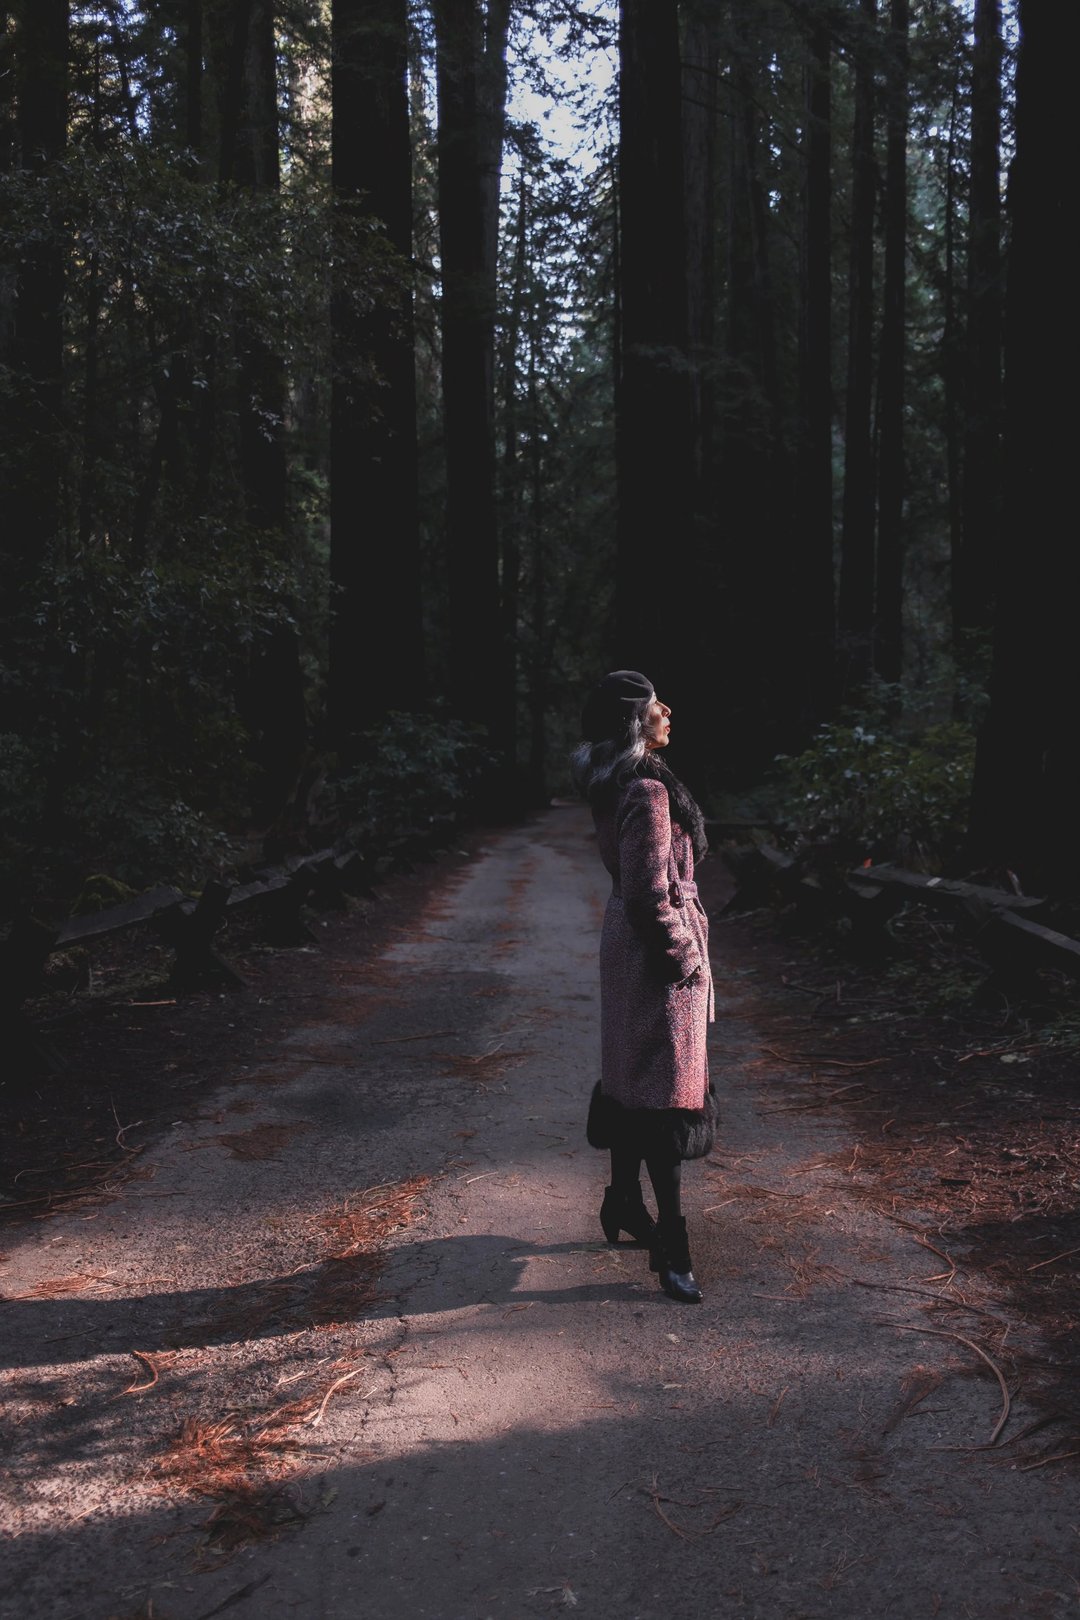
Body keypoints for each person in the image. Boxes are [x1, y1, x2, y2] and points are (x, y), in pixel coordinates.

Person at [572, 670, 716, 1304]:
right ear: (637, 723)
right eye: (657, 705)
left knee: (634, 1076)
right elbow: (648, 893)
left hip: (628, 946)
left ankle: (625, 1201)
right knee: (664, 1095)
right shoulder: (649, 792)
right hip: (656, 951)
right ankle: (672, 1247)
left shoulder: (617, 781)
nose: (668, 711)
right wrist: (684, 956)